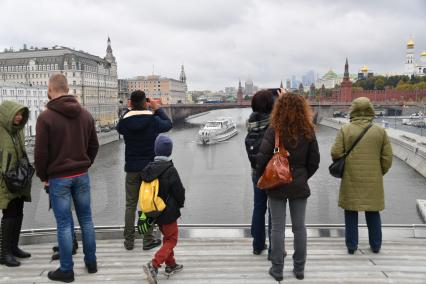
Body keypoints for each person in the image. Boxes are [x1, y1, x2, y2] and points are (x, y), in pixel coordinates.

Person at [34, 74, 99, 282]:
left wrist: (44, 176)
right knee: (87, 220)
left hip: (59, 177)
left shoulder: (45, 117)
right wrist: (85, 163)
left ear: (50, 89)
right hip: (81, 175)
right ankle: (91, 263)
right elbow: (94, 145)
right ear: (68, 87)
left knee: (63, 224)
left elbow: (41, 153)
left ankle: (66, 270)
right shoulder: (86, 115)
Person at [257, 92, 320, 281]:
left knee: (277, 228)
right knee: (299, 228)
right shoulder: (308, 129)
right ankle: (299, 269)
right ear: (303, 108)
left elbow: (262, 159)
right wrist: (301, 176)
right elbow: (314, 161)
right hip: (299, 184)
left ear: (279, 108)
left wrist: (267, 175)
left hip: (277, 184)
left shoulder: (274, 129)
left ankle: (277, 270)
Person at [331, 97, 392, 255]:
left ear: (353, 110)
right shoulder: (380, 131)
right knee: (373, 212)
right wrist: (379, 172)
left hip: (351, 178)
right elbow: (387, 158)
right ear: (371, 110)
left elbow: (335, 153)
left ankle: (352, 246)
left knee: (351, 211)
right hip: (373, 180)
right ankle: (376, 245)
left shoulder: (346, 129)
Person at [117, 90, 172, 251]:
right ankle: (147, 240)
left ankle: (129, 241)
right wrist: (157, 109)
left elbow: (119, 126)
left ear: (131, 103)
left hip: (132, 168)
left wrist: (129, 109)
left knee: (130, 205)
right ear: (145, 102)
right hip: (149, 169)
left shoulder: (125, 122)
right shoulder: (153, 120)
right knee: (146, 204)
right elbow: (168, 124)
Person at [142, 135, 185, 284]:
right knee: (172, 239)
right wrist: (180, 204)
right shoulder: (170, 170)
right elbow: (179, 191)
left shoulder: (148, 169)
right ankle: (153, 265)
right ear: (169, 152)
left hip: (155, 212)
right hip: (168, 212)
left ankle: (171, 265)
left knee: (167, 238)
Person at [245, 89, 278, 258]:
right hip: (273, 172)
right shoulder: (275, 123)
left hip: (256, 171)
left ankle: (257, 245)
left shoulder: (250, 123)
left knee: (258, 207)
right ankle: (274, 250)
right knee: (274, 210)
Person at [0, 101, 31, 267]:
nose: (19, 117)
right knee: (9, 213)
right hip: (5, 180)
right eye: (16, 114)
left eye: (21, 114)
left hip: (19, 178)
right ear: (8, 114)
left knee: (19, 211)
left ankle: (13, 247)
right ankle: (4, 253)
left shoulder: (18, 130)